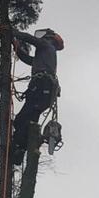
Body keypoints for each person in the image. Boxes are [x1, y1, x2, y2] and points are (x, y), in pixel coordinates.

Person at [11, 28, 64, 165]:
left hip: (41, 87)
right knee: (25, 120)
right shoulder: (44, 55)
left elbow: (30, 39)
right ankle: (19, 152)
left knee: (25, 119)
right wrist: (14, 44)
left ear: (48, 38)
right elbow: (27, 59)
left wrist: (12, 32)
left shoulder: (47, 46)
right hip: (43, 90)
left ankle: (17, 150)